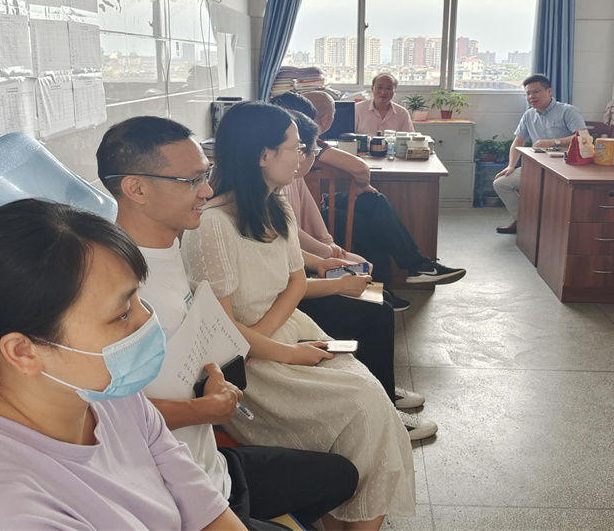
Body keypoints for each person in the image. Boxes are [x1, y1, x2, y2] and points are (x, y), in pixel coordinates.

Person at [0, 199, 245, 530]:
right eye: (122, 314)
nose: (146, 321)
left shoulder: (103, 390)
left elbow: (202, 505)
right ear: (23, 351)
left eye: (137, 297)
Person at [96, 117, 359, 530]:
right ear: (136, 188)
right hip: (175, 492)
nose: (206, 191)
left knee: (340, 476)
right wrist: (200, 409)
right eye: (191, 181)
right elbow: (96, 416)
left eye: (206, 175)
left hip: (212, 465)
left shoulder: (170, 249)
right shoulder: (112, 285)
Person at [182, 101, 416, 530]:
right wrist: (281, 353)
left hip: (279, 337)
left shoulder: (278, 207)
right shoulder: (212, 226)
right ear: (263, 155)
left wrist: (275, 341)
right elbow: (223, 329)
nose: (302, 156)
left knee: (372, 402)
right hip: (245, 364)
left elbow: (294, 284)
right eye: (294, 147)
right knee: (361, 407)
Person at [284, 110, 438, 440]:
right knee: (374, 311)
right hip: (287, 297)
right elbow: (284, 269)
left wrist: (327, 256)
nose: (306, 157)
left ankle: (382, 389)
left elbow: (294, 243)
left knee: (377, 296)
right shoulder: (262, 197)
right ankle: (383, 411)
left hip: (299, 278)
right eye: (304, 149)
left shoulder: (279, 187)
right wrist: (333, 276)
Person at [291, 90, 466, 287]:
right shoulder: (309, 144)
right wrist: (363, 185)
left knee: (375, 202)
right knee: (370, 225)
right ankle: (390, 285)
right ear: (325, 120)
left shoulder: (298, 142)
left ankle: (415, 268)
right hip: (312, 214)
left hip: (317, 203)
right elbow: (359, 167)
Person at [493, 74, 586, 234]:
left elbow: (583, 137)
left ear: (549, 91)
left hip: (565, 167)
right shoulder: (529, 115)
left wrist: (553, 142)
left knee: (551, 191)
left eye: (535, 92)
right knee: (501, 183)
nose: (531, 97)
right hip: (536, 166)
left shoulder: (567, 111)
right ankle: (523, 221)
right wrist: (511, 165)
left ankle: (552, 227)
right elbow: (518, 141)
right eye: (528, 93)